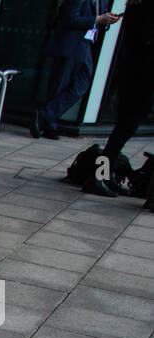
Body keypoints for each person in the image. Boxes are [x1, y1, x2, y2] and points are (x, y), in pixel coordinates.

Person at [31, 0, 121, 140]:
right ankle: (50, 124)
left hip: (86, 44)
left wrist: (107, 20)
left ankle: (45, 115)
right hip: (71, 44)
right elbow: (70, 18)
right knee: (60, 85)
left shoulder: (103, 1)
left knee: (81, 86)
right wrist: (98, 19)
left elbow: (99, 20)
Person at [97, 0, 154, 205]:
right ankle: (99, 175)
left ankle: (104, 174)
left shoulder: (136, 9)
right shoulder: (146, 11)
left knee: (120, 132)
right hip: (141, 82)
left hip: (132, 79)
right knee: (122, 132)